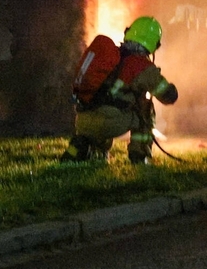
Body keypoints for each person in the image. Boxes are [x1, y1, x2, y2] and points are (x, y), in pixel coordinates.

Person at [61, 16, 178, 164]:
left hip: (82, 120)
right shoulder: (141, 66)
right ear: (154, 43)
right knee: (145, 109)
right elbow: (167, 96)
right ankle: (140, 156)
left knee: (107, 105)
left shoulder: (109, 57)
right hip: (109, 123)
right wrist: (171, 90)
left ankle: (85, 148)